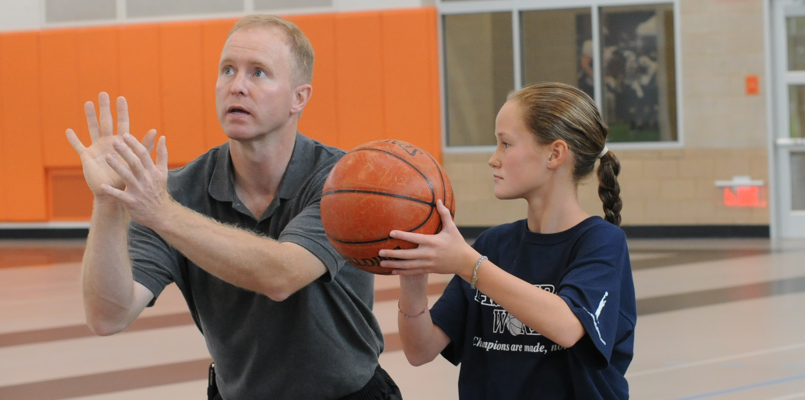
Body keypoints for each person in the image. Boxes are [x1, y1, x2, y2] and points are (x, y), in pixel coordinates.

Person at [65, 15, 400, 400]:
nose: (236, 86)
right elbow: (108, 315)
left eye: (258, 73)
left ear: (299, 97)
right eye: (228, 70)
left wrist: (162, 212)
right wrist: (108, 201)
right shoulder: (174, 191)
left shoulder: (343, 180)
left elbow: (281, 275)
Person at [379, 82, 636, 399]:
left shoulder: (601, 242)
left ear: (555, 154)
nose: (493, 159)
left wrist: (468, 264)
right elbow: (420, 350)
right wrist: (414, 275)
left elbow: (568, 327)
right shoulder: (494, 244)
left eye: (505, 144)